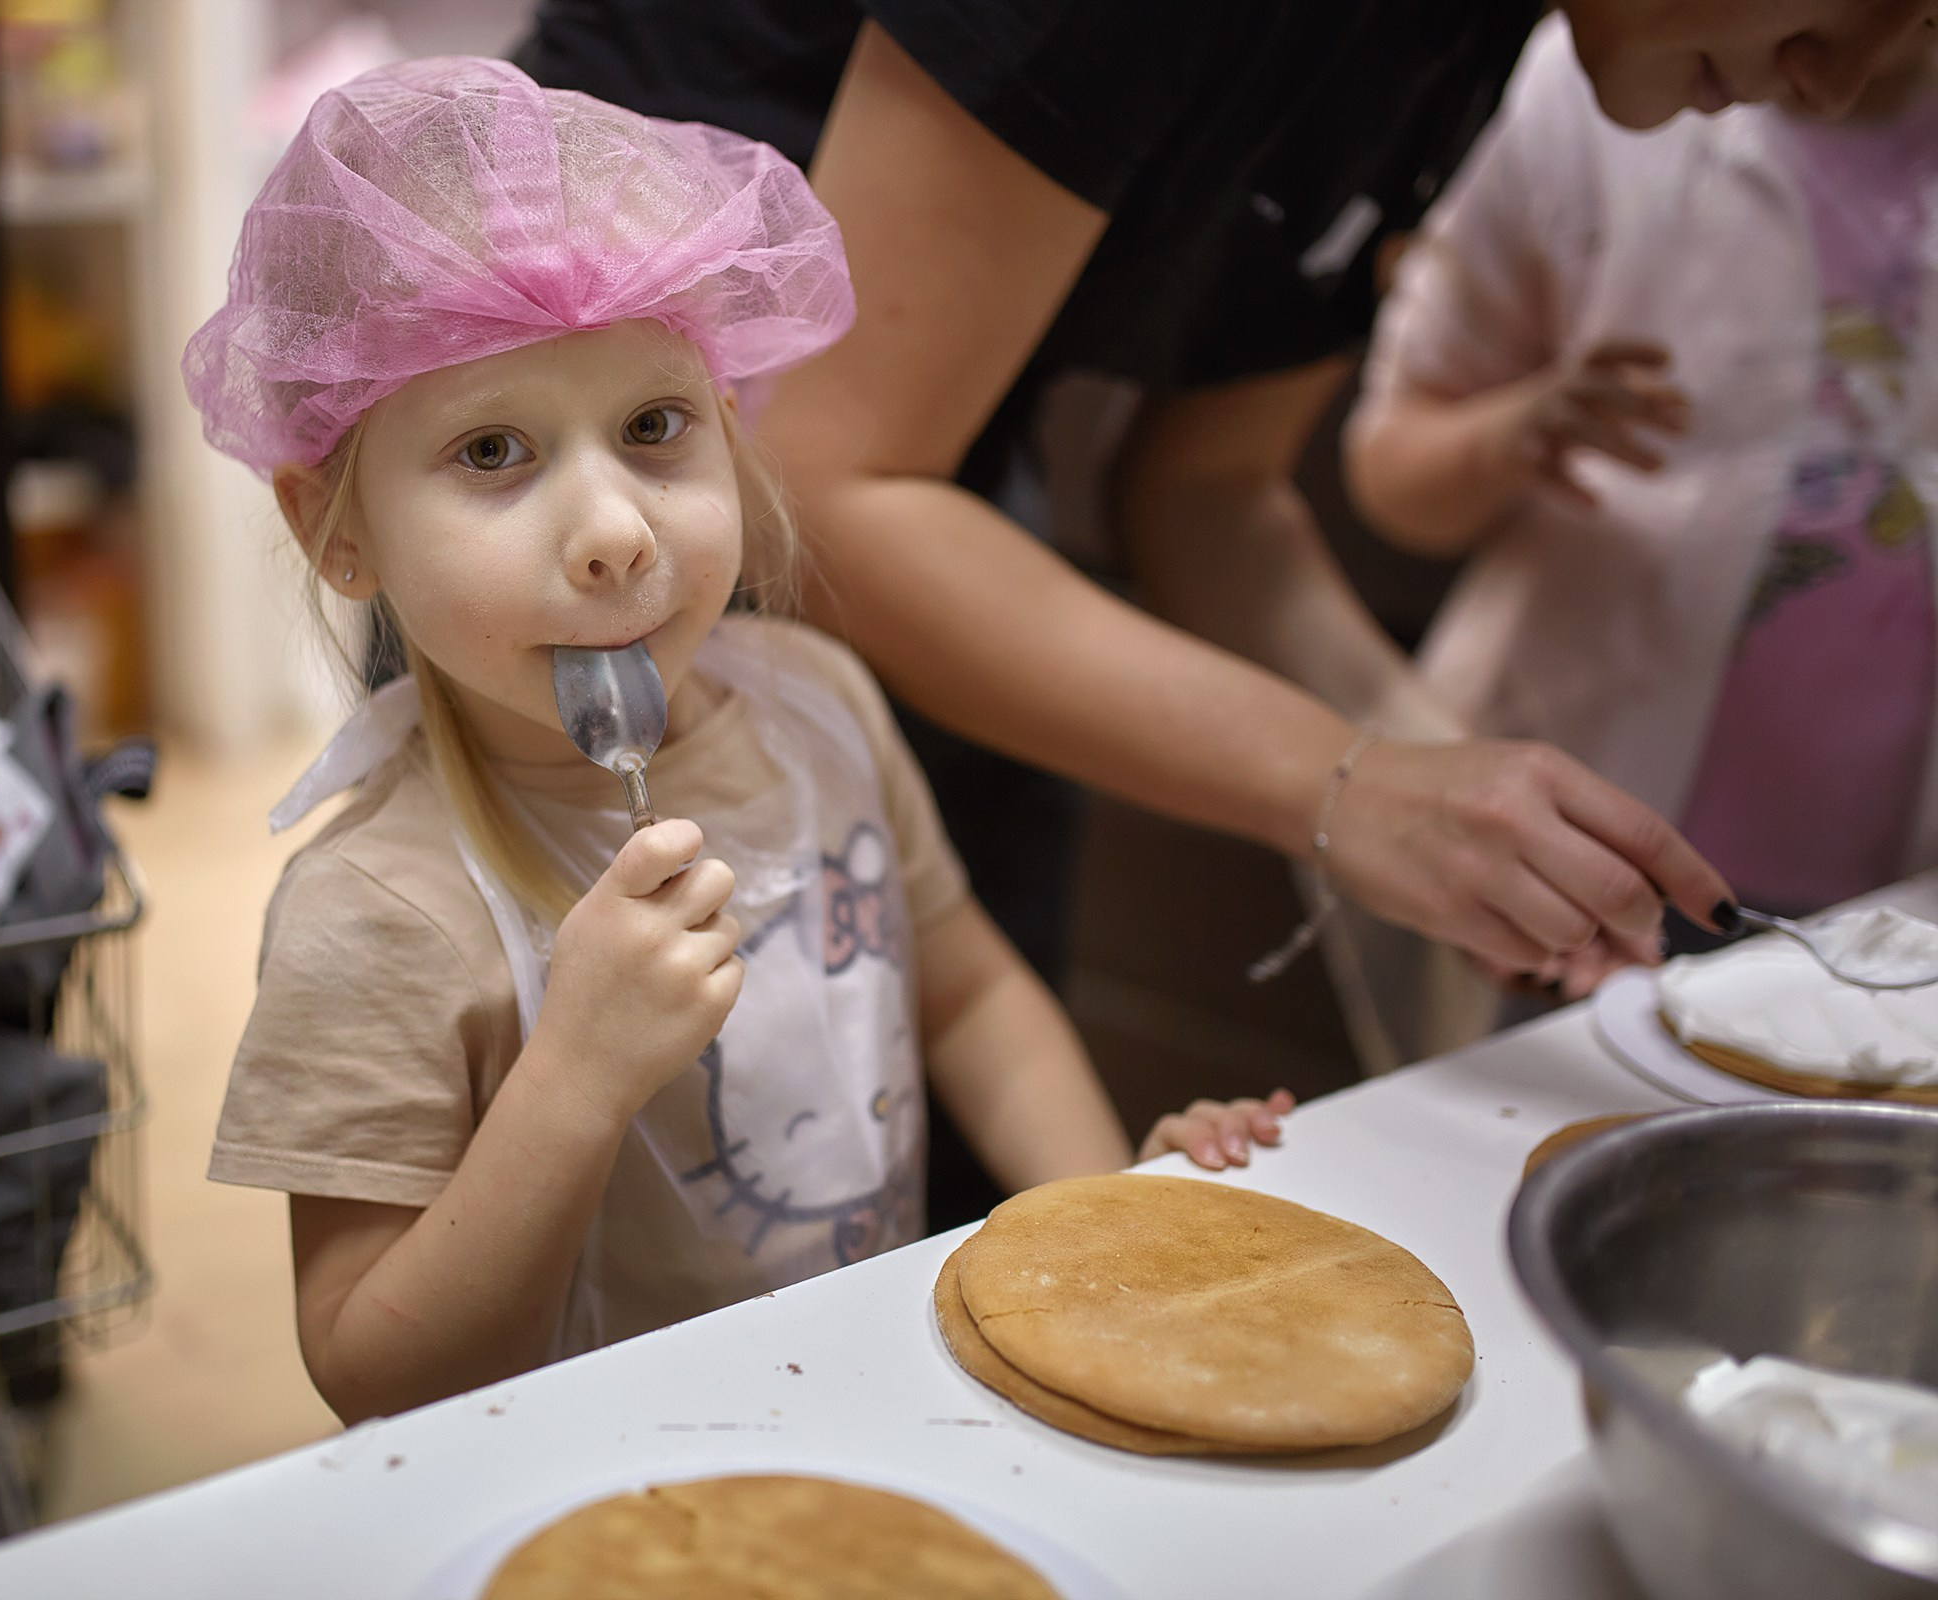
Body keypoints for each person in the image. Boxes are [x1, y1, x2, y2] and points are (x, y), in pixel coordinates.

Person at [184, 61, 1289, 1422]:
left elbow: (973, 1002)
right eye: (492, 454)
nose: (614, 533)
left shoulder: (824, 709)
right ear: (333, 531)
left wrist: (1109, 1216)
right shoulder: (375, 913)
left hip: (867, 1422)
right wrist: (576, 1076)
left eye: (656, 428)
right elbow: (377, 1375)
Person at [518, 0, 1933, 1010]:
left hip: (886, 479)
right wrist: (1343, 784)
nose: (1844, 71)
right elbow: (827, 481)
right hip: (591, 432)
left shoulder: (1471, 42)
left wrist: (1443, 785)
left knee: (934, 1044)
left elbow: (1207, 491)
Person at [1345, 13, 1938, 992]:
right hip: (1590, 884)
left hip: (1891, 891)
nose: (1837, 79)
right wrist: (1515, 432)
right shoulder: (1599, 76)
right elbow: (1389, 468)